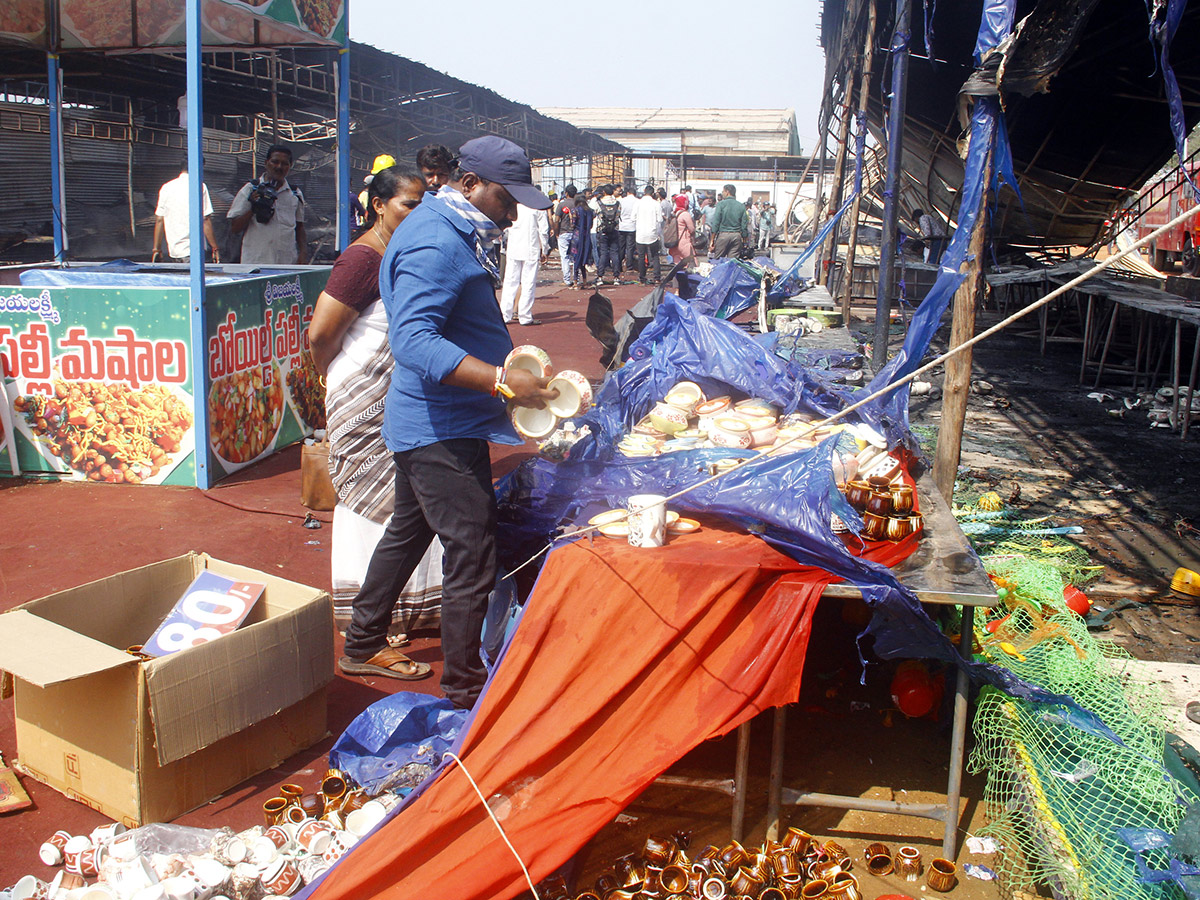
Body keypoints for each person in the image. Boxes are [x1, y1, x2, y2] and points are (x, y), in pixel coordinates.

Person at [339, 136, 558, 709]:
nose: (514, 214)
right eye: (507, 199)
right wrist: (501, 381)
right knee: (473, 549)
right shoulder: (438, 240)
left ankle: (362, 639)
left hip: (435, 420)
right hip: (437, 427)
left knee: (409, 531)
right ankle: (465, 686)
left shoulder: (451, 225)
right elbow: (414, 341)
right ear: (468, 184)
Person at [307, 165, 443, 640]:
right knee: (368, 500)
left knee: (407, 498)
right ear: (379, 206)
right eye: (408, 203)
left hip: (399, 393)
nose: (417, 212)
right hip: (359, 392)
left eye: (424, 203)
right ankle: (369, 620)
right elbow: (321, 335)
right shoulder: (363, 259)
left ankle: (412, 609)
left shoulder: (408, 253)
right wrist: (345, 382)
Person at [228, 144, 308, 265]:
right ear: (266, 163)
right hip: (256, 264)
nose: (279, 167)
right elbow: (234, 228)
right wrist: (254, 208)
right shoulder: (250, 189)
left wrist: (303, 254)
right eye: (275, 162)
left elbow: (299, 227)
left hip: (286, 264)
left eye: (284, 163)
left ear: (290, 166)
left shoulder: (295, 193)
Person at [151, 167, 219, 263]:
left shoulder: (166, 187)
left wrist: (156, 249)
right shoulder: (199, 186)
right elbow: (205, 220)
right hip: (194, 250)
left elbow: (159, 220)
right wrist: (214, 247)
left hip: (174, 251)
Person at [499, 203, 550, 325]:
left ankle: (504, 315)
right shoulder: (537, 205)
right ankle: (525, 316)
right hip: (530, 247)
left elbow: (505, 226)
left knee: (510, 282)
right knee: (528, 283)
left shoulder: (513, 202)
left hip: (514, 247)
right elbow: (544, 230)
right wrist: (545, 248)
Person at [635, 186, 665, 284]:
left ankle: (642, 278)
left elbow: (632, 217)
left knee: (641, 256)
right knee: (655, 256)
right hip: (652, 233)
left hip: (640, 233)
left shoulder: (638, 203)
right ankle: (657, 278)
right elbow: (660, 219)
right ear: (653, 194)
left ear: (644, 192)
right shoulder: (656, 204)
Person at [710, 184, 748, 259]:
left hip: (723, 235)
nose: (722, 193)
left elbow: (716, 222)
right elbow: (744, 226)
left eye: (723, 191)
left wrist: (712, 240)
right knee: (732, 262)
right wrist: (744, 240)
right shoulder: (741, 206)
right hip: (736, 236)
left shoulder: (721, 204)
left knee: (718, 261)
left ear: (727, 192)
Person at [594, 184, 622, 285]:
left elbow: (594, 213)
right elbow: (619, 214)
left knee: (603, 253)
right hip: (614, 230)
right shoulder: (617, 203)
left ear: (604, 192)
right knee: (614, 253)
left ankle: (600, 276)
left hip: (603, 230)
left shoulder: (599, 203)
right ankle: (616, 277)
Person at [569, 188, 595, 288]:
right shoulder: (590, 211)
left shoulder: (574, 211)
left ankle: (575, 282)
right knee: (583, 260)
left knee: (576, 259)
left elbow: (573, 224)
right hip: (586, 237)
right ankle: (584, 281)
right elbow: (591, 225)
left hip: (577, 237)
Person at [553, 184, 578, 286]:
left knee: (564, 257)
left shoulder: (561, 205)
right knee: (576, 257)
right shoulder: (578, 204)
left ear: (566, 193)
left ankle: (567, 279)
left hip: (563, 232)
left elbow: (557, 220)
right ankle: (577, 278)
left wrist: (556, 233)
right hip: (576, 233)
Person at [666, 194, 697, 269]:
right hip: (684, 243)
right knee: (693, 263)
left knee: (677, 267)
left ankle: (677, 280)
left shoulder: (674, 214)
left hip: (674, 244)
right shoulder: (685, 214)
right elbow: (692, 229)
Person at [618, 183, 639, 277]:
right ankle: (629, 266)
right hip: (632, 226)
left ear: (627, 193)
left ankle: (619, 266)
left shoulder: (622, 201)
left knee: (621, 246)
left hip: (622, 225)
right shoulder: (637, 201)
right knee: (630, 247)